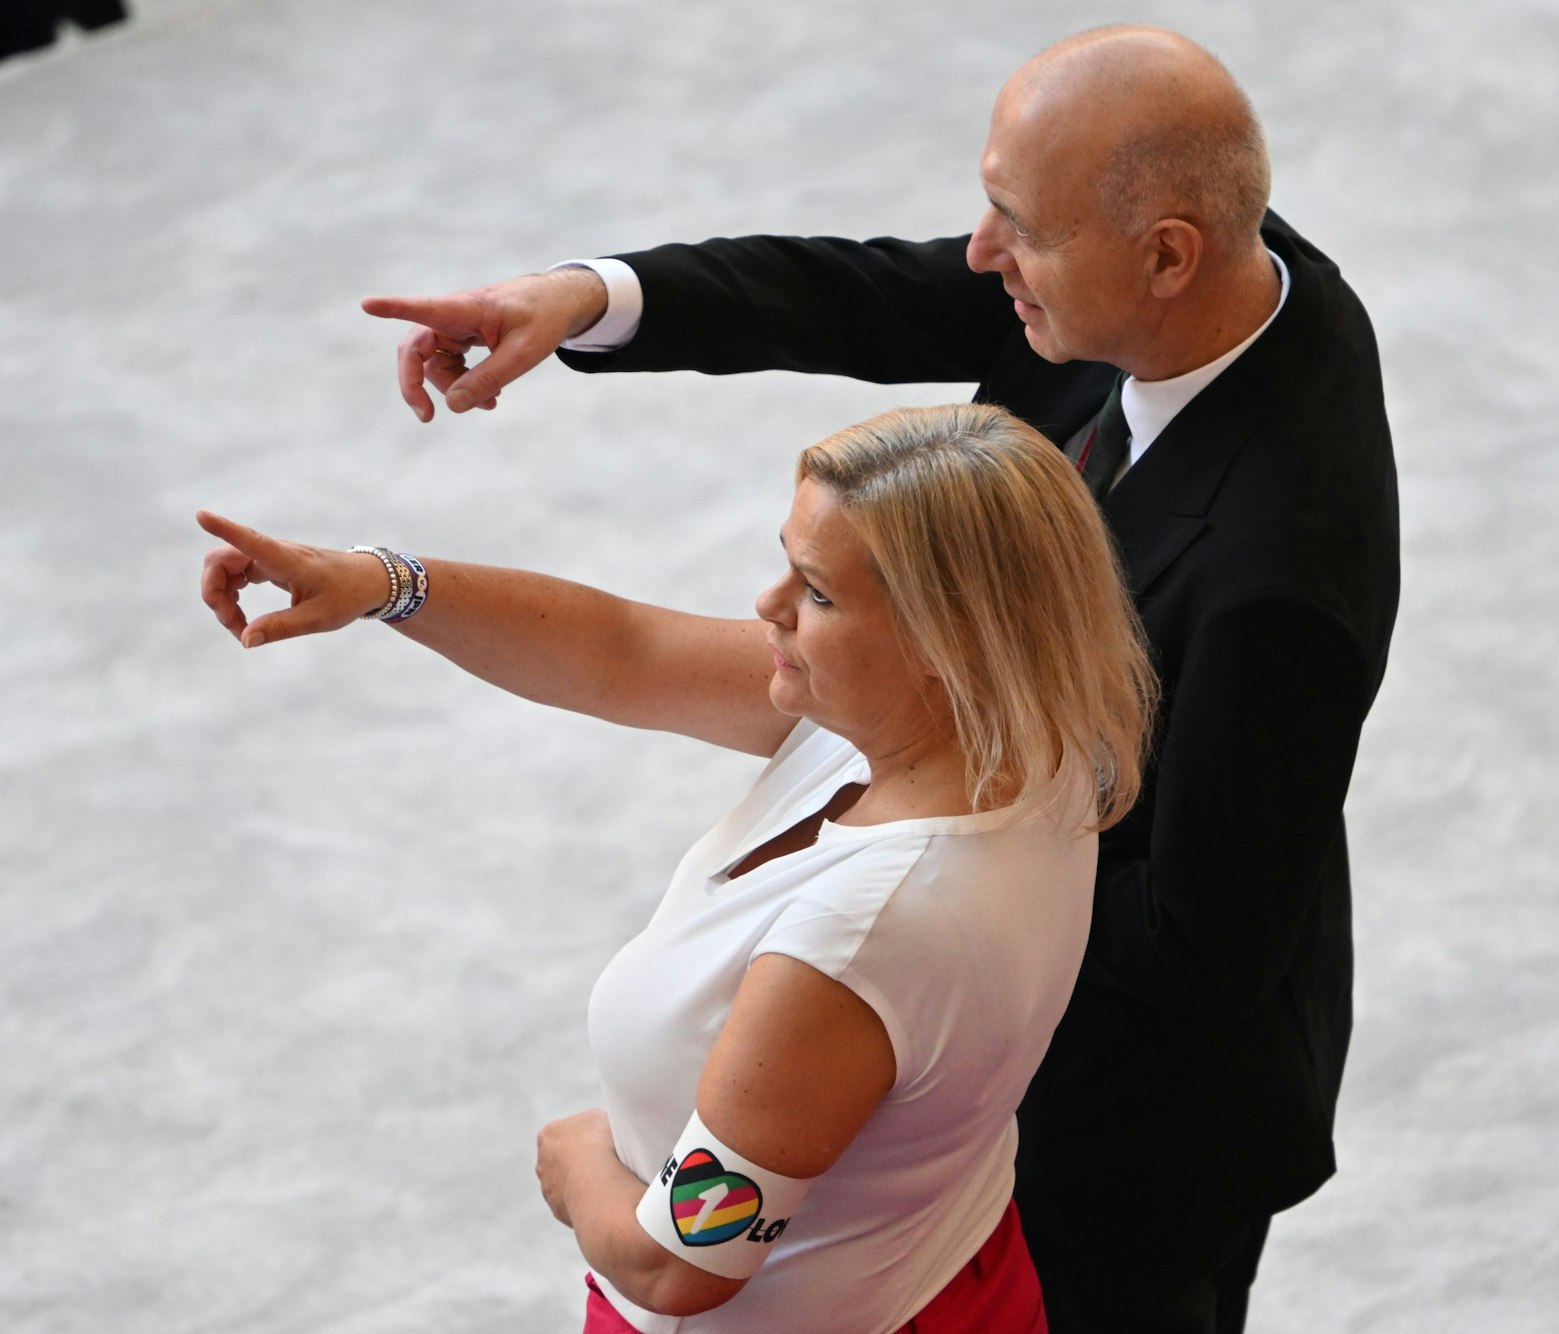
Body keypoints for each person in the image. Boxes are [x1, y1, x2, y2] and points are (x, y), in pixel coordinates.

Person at [362, 25, 1400, 1332]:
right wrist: (593, 296)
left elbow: (1199, 941)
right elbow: (870, 291)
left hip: (1118, 1139)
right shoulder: (1185, 273)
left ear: (1164, 256)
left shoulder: (1274, 579)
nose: (977, 252)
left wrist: (915, 975)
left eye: (1012, 226)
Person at [196, 403, 1157, 1333]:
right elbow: (625, 653)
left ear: (946, 644)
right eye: (789, 565)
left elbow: (680, 1264)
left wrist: (580, 1165)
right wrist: (382, 583)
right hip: (950, 1264)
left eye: (816, 594)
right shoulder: (1024, 729)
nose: (767, 606)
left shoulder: (859, 941)